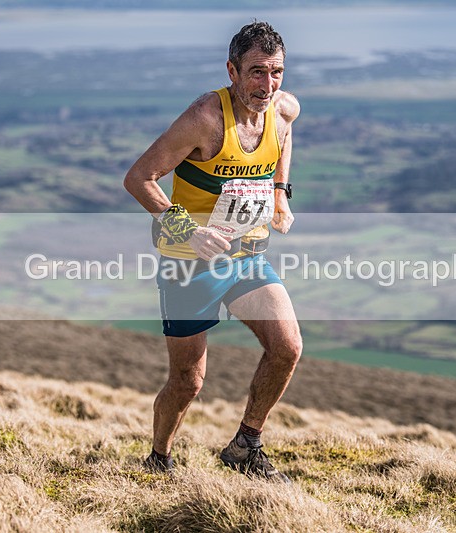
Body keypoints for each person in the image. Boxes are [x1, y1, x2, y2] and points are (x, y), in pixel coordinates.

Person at [124, 21, 301, 483]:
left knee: (287, 348)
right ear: (232, 71)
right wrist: (188, 230)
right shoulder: (204, 118)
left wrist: (280, 192)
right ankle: (158, 460)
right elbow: (139, 178)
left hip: (244, 255)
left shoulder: (281, 109)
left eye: (276, 72)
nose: (267, 85)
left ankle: (246, 445)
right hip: (188, 263)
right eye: (256, 72)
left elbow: (285, 131)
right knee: (188, 381)